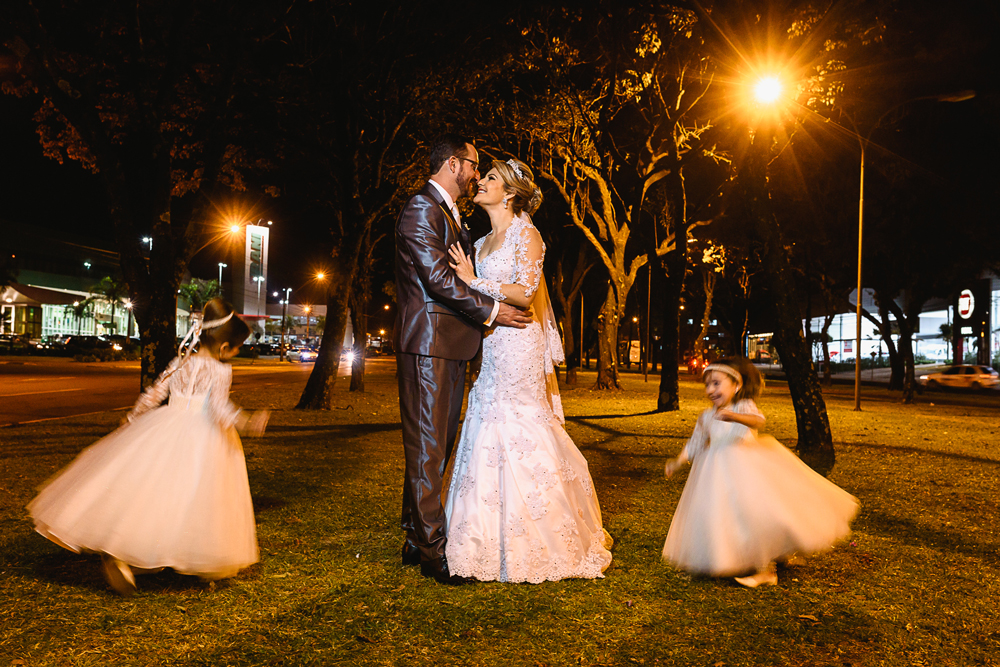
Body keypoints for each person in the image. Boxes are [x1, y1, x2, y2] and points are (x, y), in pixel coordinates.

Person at [443, 157, 613, 583]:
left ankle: (545, 534)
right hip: (491, 342)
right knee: (485, 417)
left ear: (511, 193)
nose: (480, 182)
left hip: (519, 341)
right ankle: (480, 536)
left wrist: (472, 281)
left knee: (521, 422)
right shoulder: (479, 245)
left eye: (491, 179)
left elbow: (526, 292)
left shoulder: (528, 234)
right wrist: (468, 281)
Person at [28, 298, 269, 595]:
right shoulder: (220, 370)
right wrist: (246, 422)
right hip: (200, 435)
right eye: (236, 347)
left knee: (148, 493)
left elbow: (154, 393)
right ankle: (187, 554)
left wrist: (132, 420)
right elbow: (218, 408)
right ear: (223, 347)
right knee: (190, 497)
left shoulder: (180, 361)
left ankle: (126, 554)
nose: (237, 352)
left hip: (164, 425)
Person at [394, 134, 533, 585]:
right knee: (428, 448)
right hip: (429, 345)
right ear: (454, 164)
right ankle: (434, 553)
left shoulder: (451, 214)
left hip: (452, 346)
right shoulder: (422, 209)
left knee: (436, 449)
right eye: (474, 166)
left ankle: (416, 537)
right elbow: (436, 279)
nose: (477, 175)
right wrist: (492, 311)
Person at [662, 358, 858, 587]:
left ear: (736, 385)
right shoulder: (706, 416)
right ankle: (728, 555)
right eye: (707, 385)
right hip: (716, 472)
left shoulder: (742, 405)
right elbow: (695, 442)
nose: (711, 390)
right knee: (727, 517)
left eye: (717, 383)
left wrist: (734, 416)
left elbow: (758, 421)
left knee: (757, 514)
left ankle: (767, 569)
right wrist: (678, 461)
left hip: (746, 467)